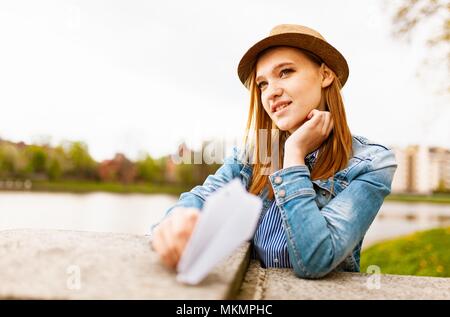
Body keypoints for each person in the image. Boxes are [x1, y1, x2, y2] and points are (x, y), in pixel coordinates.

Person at [150, 24, 397, 279]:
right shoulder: (255, 154)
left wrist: (293, 156)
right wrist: (179, 219)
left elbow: (316, 258)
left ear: (325, 75)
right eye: (262, 84)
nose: (271, 92)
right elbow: (205, 196)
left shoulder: (372, 162)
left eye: (286, 72)